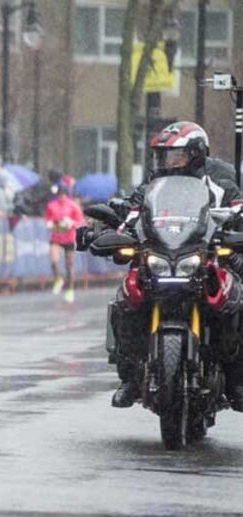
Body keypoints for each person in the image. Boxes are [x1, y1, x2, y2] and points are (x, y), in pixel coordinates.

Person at [89, 121, 243, 409]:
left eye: (175, 154)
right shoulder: (152, 186)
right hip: (160, 256)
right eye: (163, 155)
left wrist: (236, 225)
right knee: (128, 297)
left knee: (234, 299)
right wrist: (104, 229)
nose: (167, 161)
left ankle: (236, 380)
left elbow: (238, 207)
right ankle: (129, 377)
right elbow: (131, 213)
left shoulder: (219, 182)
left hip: (203, 258)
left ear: (196, 154)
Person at [44, 175, 83, 303]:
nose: (61, 196)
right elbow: (48, 218)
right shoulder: (51, 205)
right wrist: (49, 223)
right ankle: (58, 279)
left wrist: (71, 222)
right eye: (59, 194)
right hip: (56, 236)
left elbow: (80, 221)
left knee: (69, 264)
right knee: (54, 260)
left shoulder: (73, 206)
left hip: (69, 237)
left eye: (63, 194)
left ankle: (70, 289)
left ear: (67, 194)